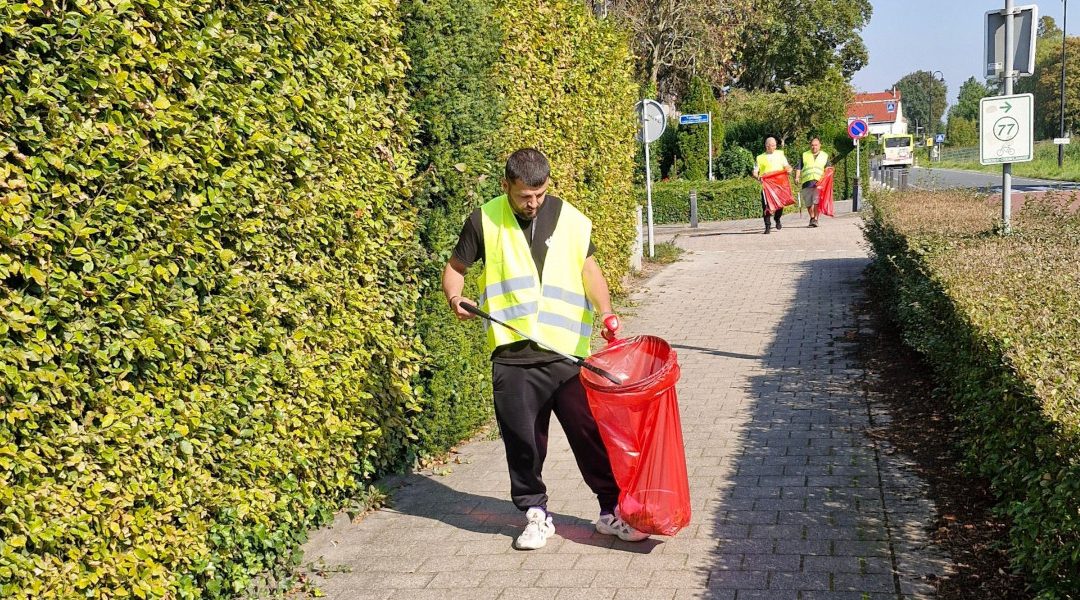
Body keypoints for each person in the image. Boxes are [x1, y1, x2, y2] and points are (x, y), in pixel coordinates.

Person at [442, 148, 649, 550]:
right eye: (523, 196)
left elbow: (590, 270)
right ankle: (535, 514)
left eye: (539, 194)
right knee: (523, 442)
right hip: (513, 356)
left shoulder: (571, 219)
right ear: (506, 186)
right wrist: (456, 299)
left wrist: (607, 313)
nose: (532, 203)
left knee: (591, 437)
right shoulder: (483, 220)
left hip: (568, 355)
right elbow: (455, 269)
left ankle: (613, 511)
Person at [752, 136, 793, 234]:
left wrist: (789, 169)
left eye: (775, 145)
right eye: (773, 145)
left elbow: (786, 166)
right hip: (766, 186)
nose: (775, 147)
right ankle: (767, 226)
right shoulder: (760, 157)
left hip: (779, 185)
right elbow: (755, 172)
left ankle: (777, 218)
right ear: (767, 146)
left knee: (780, 204)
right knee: (766, 205)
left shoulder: (780, 154)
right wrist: (758, 177)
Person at [795, 137, 829, 228]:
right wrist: (797, 177)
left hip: (819, 183)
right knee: (808, 203)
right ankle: (812, 217)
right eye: (812, 145)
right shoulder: (804, 155)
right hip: (807, 182)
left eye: (816, 145)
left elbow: (828, 169)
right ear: (810, 146)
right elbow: (798, 168)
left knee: (816, 202)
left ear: (820, 146)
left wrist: (826, 180)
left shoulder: (825, 155)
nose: (814, 147)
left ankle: (816, 219)